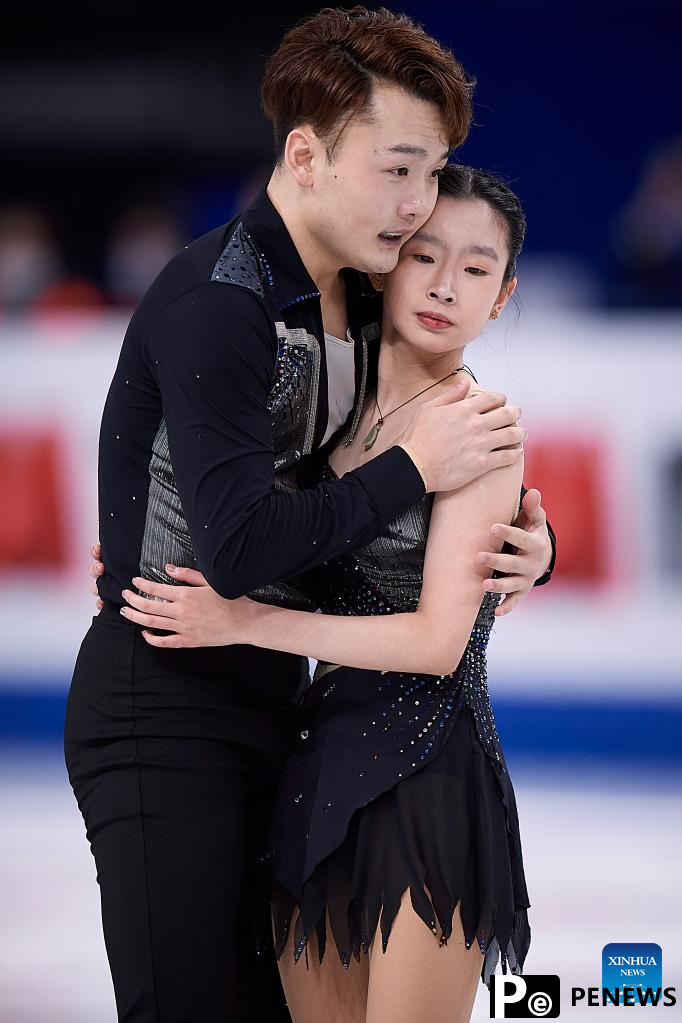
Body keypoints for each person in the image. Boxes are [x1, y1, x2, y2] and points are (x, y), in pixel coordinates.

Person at [72, 8, 555, 1022]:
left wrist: (526, 550)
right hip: (165, 706)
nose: (418, 205)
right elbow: (243, 546)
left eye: (433, 173)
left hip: (282, 719)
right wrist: (415, 469)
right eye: (397, 169)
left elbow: (431, 471)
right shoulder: (223, 298)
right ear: (304, 152)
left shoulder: (358, 296)